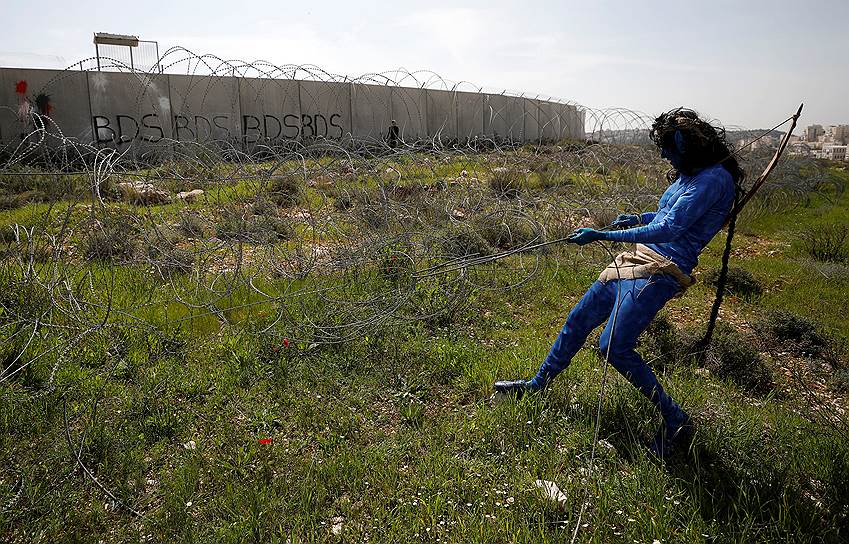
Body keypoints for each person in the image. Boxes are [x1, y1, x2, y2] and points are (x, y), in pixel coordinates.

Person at [494, 108, 746, 458]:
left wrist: (604, 234)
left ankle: (676, 420)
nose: (663, 155)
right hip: (638, 257)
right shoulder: (690, 175)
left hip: (662, 269)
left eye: (667, 149)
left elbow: (671, 229)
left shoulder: (714, 180)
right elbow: (663, 216)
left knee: (612, 344)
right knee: (578, 319)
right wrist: (636, 219)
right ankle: (538, 385)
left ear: (687, 145)